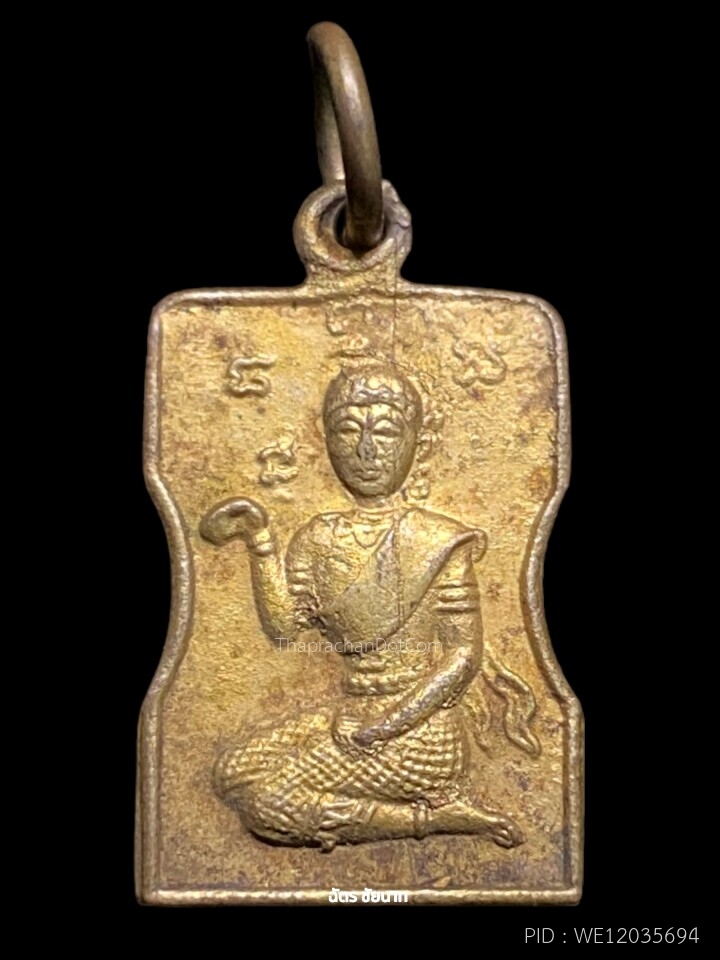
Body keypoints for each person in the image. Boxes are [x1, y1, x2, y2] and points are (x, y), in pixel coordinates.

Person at [201, 362, 536, 850]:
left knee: (266, 803)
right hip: (352, 713)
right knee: (231, 774)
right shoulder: (317, 537)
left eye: (385, 432)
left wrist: (384, 727)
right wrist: (260, 541)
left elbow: (463, 655)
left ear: (417, 442)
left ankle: (436, 819)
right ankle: (409, 810)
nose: (366, 450)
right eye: (347, 430)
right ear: (325, 441)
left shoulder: (437, 540)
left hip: (422, 735)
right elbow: (283, 630)